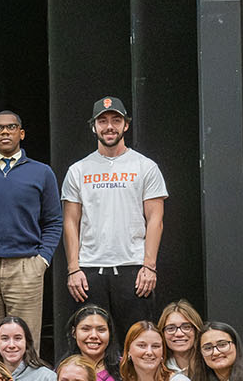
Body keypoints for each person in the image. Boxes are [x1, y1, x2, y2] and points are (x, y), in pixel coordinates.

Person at [62, 96, 168, 338]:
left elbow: (155, 220)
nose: (109, 126)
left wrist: (149, 266)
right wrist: (73, 268)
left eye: (116, 120)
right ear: (94, 126)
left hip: (133, 269)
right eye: (103, 121)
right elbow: (70, 221)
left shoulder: (145, 167)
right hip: (89, 271)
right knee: (90, 341)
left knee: (137, 341)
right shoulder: (78, 170)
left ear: (126, 125)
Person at [0, 111, 63, 347]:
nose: (5, 131)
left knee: (24, 341)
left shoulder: (42, 172)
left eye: (11, 127)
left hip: (26, 266)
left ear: (22, 133)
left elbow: (54, 221)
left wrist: (42, 260)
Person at [0, 315, 55, 381]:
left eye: (18, 338)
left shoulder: (46, 378)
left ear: (27, 342)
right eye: (5, 339)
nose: (11, 345)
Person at [66, 304, 119, 381]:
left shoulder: (126, 368)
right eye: (85, 329)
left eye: (101, 330)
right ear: (74, 333)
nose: (93, 336)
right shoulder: (63, 369)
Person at [159, 298, 205, 376]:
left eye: (186, 327)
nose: (179, 334)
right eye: (171, 328)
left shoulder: (209, 365)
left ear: (196, 330)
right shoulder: (155, 369)